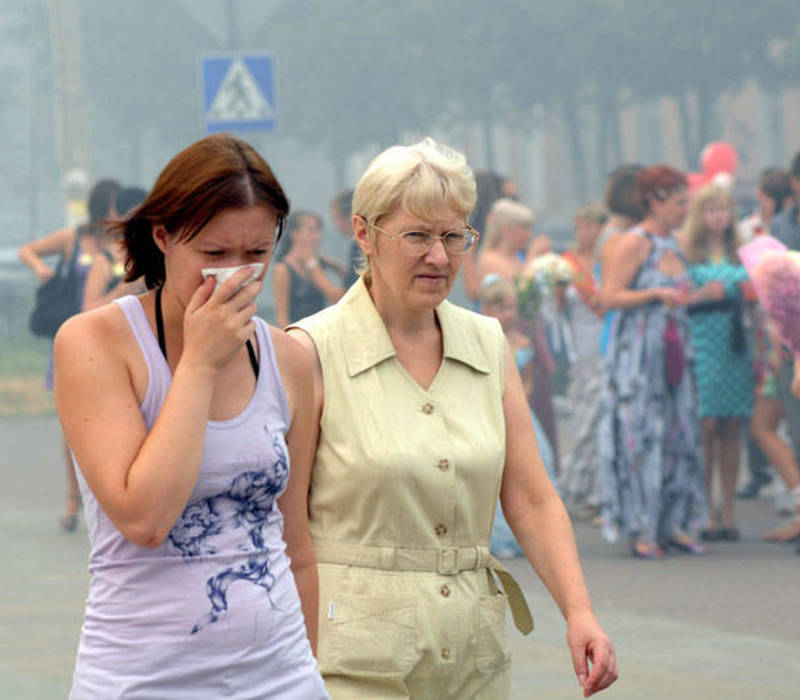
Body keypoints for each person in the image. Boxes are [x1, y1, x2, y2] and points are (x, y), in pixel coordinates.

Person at [288, 138, 617, 698]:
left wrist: (579, 611)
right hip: (350, 663)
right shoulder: (311, 350)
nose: (439, 257)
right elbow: (285, 529)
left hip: (472, 655)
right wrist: (291, 660)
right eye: (417, 235)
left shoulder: (488, 344)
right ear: (364, 233)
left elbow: (533, 498)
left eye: (454, 236)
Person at [53, 134, 328, 698]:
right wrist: (199, 364)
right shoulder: (97, 342)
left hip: (280, 676)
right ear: (164, 236)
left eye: (256, 254)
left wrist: (307, 671)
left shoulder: (290, 360)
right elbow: (145, 518)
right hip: (142, 678)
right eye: (213, 254)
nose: (235, 275)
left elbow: (296, 544)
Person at [599, 165, 707, 559]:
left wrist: (699, 295)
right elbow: (609, 296)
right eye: (679, 203)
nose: (684, 210)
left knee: (680, 435)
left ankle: (675, 523)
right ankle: (642, 528)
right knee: (642, 436)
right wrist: (656, 295)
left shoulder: (676, 242)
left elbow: (682, 293)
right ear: (655, 202)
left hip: (675, 352)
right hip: (638, 356)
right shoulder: (634, 242)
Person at [18, 178, 121, 532]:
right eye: (114, 206)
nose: (118, 212)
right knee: (73, 422)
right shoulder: (74, 238)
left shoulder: (124, 243)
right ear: (102, 207)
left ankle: (109, 495)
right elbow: (27, 250)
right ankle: (72, 497)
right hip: (72, 340)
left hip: (112, 341)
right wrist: (40, 268)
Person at [682, 184, 753, 542]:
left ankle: (727, 509)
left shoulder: (741, 252)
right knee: (706, 425)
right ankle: (704, 508)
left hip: (735, 339)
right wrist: (700, 294)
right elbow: (676, 297)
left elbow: (757, 293)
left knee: (731, 425)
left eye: (722, 209)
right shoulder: (687, 251)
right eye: (710, 209)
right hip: (701, 337)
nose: (717, 216)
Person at [478, 198, 560, 473]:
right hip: (508, 339)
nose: (528, 234)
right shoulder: (491, 260)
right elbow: (513, 294)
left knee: (541, 401)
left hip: (531, 335)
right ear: (507, 229)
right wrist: (536, 261)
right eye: (524, 228)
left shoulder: (519, 259)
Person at [479, 275, 556, 558]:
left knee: (538, 461)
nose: (509, 314)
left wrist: (517, 396)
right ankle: (496, 535)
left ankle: (532, 534)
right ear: (487, 309)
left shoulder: (522, 343)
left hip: (518, 409)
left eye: (512, 308)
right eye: (503, 308)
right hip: (488, 408)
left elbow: (528, 381)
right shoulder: (482, 341)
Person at [559, 204, 607, 520]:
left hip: (606, 343)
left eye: (592, 227)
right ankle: (579, 487)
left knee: (601, 422)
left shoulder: (608, 262)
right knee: (583, 421)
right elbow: (558, 310)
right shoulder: (566, 265)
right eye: (582, 227)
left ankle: (598, 493)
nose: (586, 234)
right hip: (581, 347)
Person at [271, 211, 344, 327]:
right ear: (295, 234)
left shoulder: (319, 263)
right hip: (298, 332)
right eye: (312, 231)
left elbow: (344, 288)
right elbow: (282, 316)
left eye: (319, 231)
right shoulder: (283, 269)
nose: (317, 236)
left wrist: (329, 263)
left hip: (321, 331)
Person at [82, 186, 148, 311]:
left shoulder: (163, 254)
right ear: (121, 221)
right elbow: (87, 310)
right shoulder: (107, 259)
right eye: (132, 219)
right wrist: (121, 292)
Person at [330, 189, 360, 289]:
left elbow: (347, 292)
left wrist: (313, 267)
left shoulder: (358, 246)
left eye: (336, 217)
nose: (336, 224)